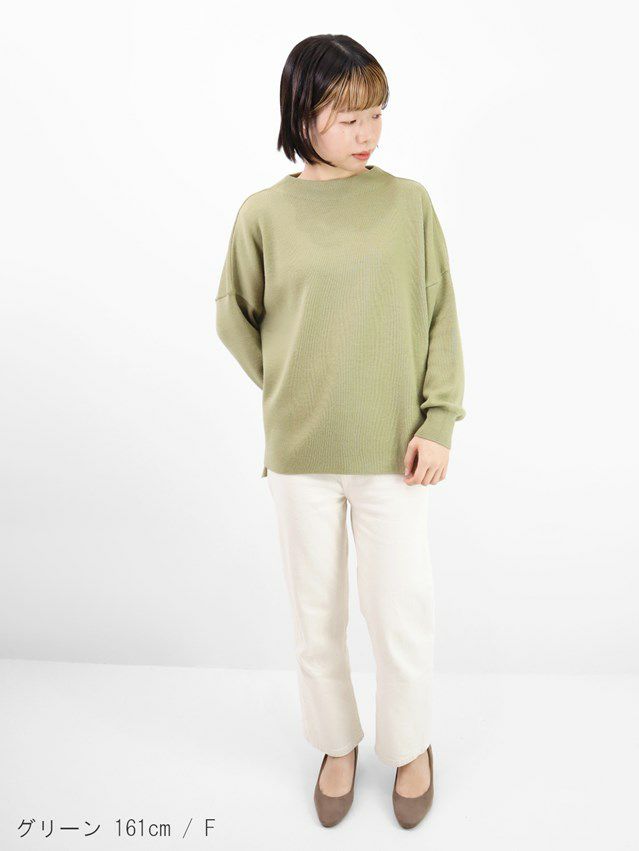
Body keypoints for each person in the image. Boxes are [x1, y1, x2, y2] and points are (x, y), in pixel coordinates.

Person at [215, 33, 466, 828]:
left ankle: (410, 743)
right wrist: (289, 388)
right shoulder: (264, 213)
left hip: (396, 451)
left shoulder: (406, 203)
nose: (368, 132)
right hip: (301, 455)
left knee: (399, 613)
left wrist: (438, 419)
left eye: (376, 114)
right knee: (315, 616)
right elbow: (234, 314)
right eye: (348, 116)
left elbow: (439, 315)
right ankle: (335, 743)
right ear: (302, 113)